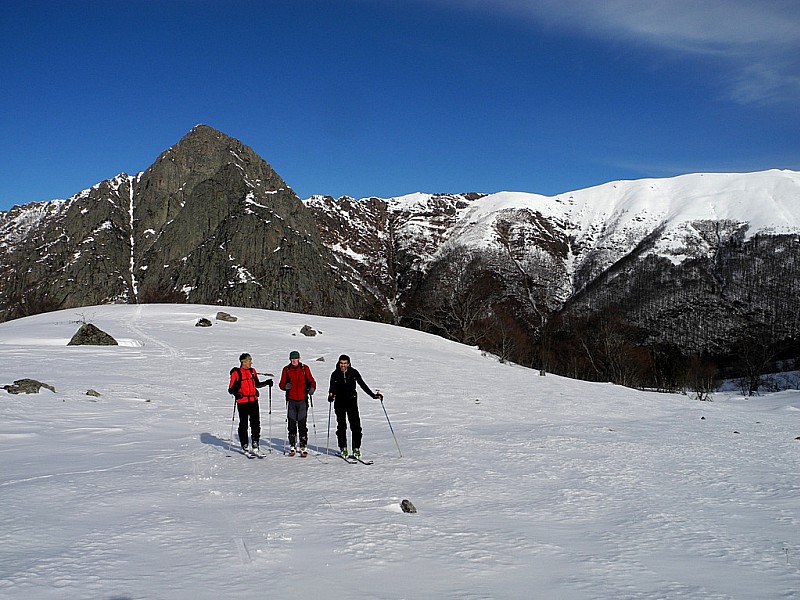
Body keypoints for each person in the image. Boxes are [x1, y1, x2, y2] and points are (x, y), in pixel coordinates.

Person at [327, 354, 382, 458]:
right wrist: (331, 395)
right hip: (339, 402)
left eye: (345, 363)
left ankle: (356, 448)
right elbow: (332, 387)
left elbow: (362, 385)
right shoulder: (335, 374)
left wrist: (373, 396)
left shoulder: (353, 373)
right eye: (341, 363)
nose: (343, 365)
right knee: (342, 426)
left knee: (356, 426)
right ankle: (343, 448)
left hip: (351, 401)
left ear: (349, 364)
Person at [228, 353, 272, 455]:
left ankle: (255, 443)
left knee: (256, 423)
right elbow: (230, 389)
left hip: (253, 401)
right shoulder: (236, 373)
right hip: (242, 402)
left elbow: (257, 384)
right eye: (249, 361)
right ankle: (244, 444)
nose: (251, 362)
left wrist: (266, 383)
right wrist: (236, 393)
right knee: (243, 424)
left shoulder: (253, 371)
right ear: (243, 362)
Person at [279, 350, 316, 457]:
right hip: (291, 400)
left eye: (296, 358)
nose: (294, 360)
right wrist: (285, 386)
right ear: (290, 359)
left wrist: (312, 389)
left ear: (299, 359)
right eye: (292, 359)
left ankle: (303, 445)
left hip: (303, 399)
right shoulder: (286, 369)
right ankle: (292, 444)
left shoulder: (305, 368)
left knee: (302, 423)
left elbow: (312, 381)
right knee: (291, 423)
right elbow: (281, 384)